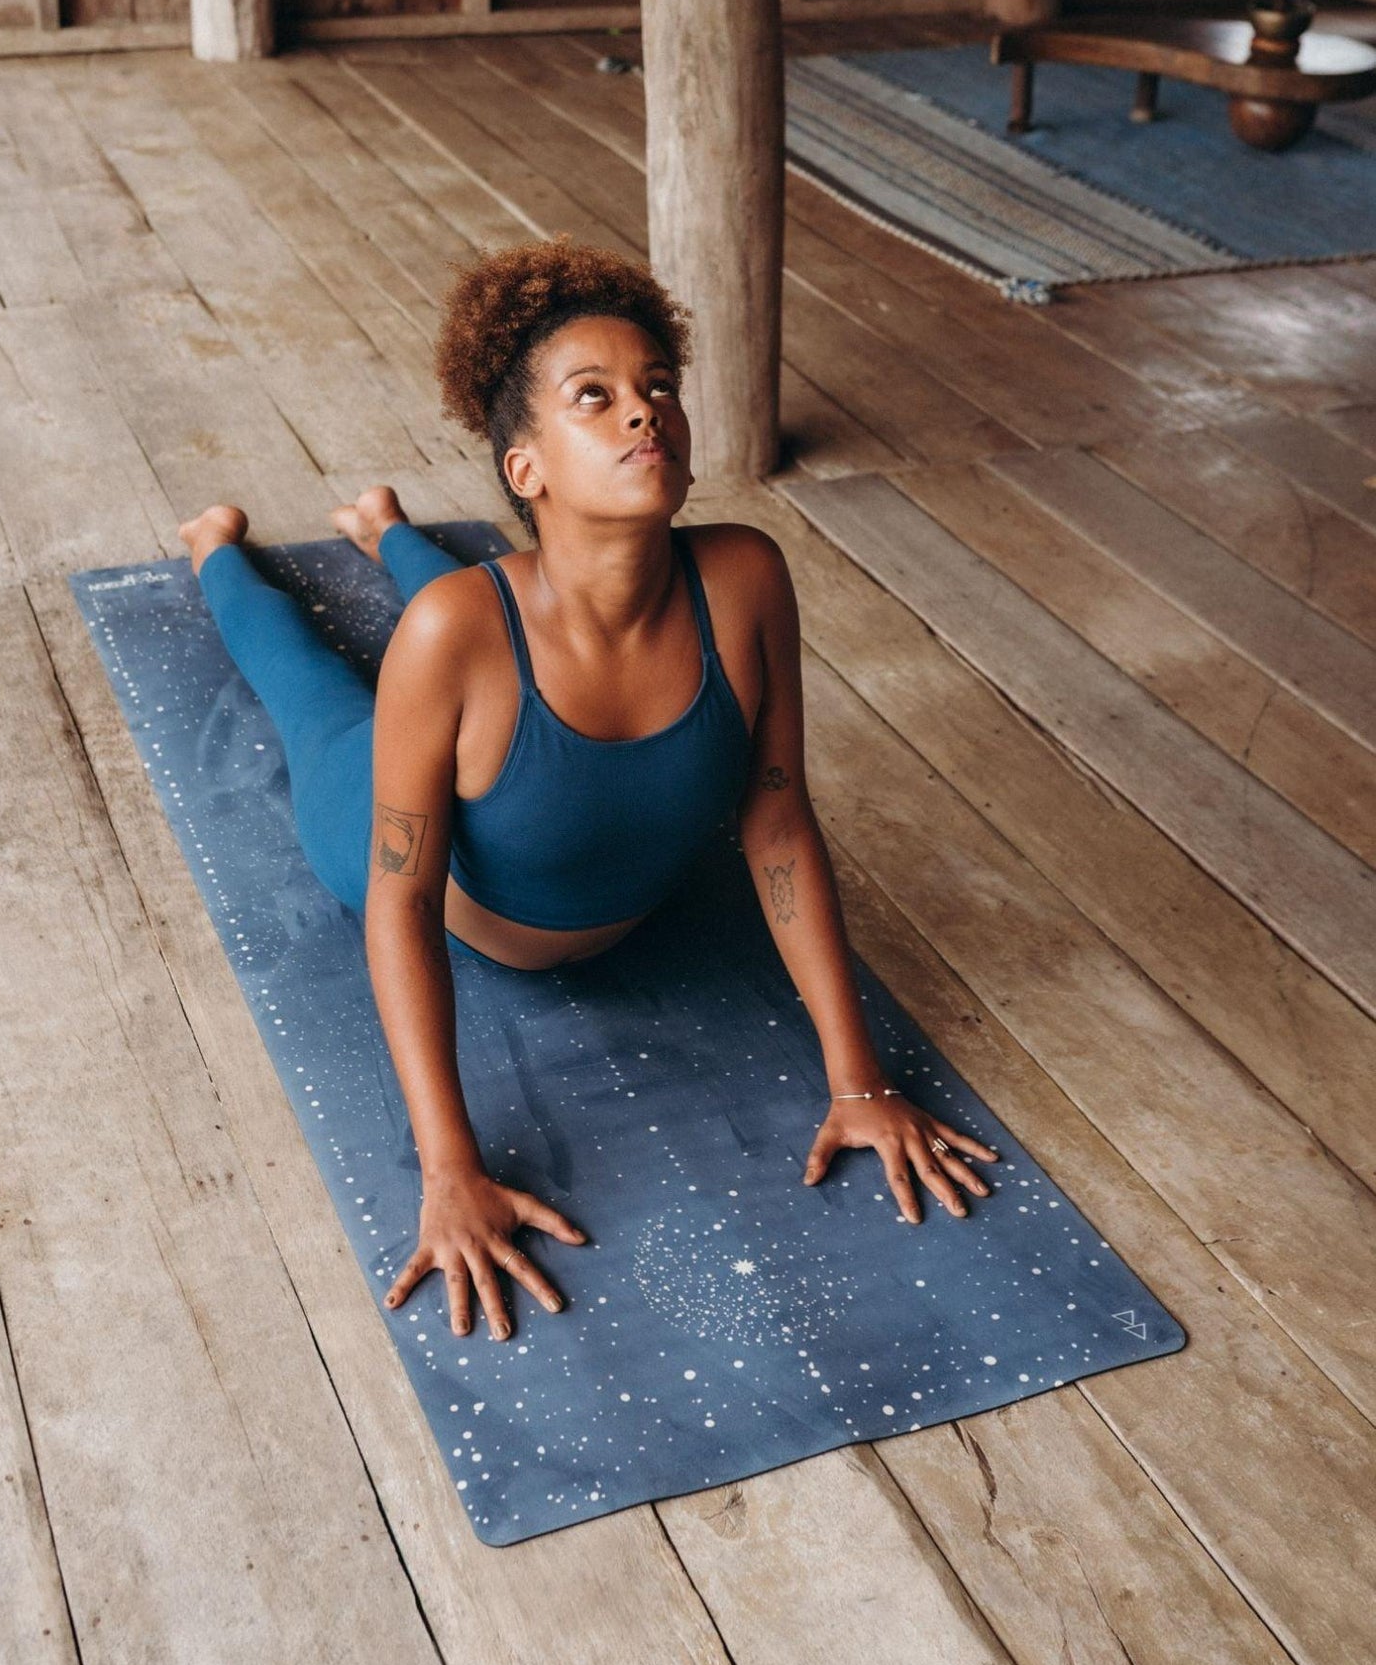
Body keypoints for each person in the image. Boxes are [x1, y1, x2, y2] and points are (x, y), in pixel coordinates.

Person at [178, 237, 998, 1344]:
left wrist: (857, 1084)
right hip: (394, 836)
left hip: (523, 684)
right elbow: (401, 904)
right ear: (527, 468)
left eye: (658, 388)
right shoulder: (456, 637)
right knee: (316, 685)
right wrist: (449, 1167)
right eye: (596, 398)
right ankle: (215, 550)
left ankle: (385, 530)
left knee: (488, 607)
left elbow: (777, 821)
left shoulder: (747, 577)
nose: (642, 414)